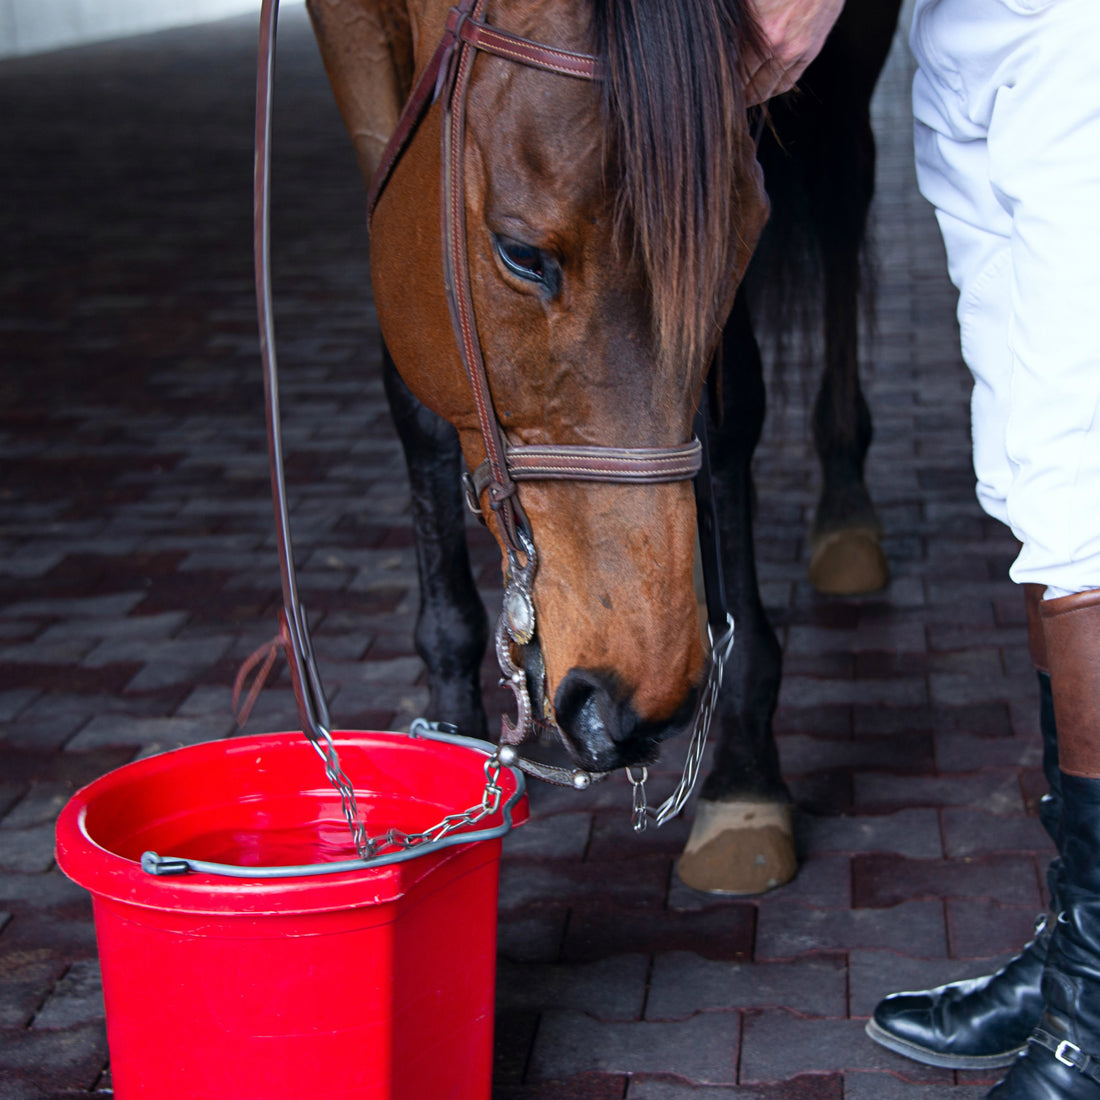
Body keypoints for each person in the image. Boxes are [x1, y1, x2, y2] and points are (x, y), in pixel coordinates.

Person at [750, 0, 1100, 1095]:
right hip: (959, 35)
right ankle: (1076, 955)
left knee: (1082, 488)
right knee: (1026, 476)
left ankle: (1092, 1003)